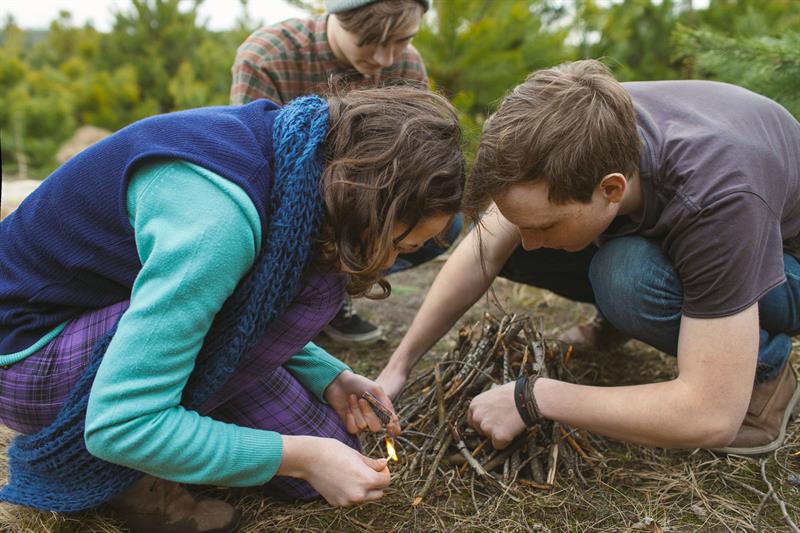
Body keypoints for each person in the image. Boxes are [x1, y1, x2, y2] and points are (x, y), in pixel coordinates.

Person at [0, 86, 464, 533]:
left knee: (334, 449)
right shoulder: (217, 224)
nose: (387, 264)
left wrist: (330, 376)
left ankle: (181, 436)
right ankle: (129, 479)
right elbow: (121, 423)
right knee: (319, 304)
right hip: (26, 353)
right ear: (371, 203)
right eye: (400, 244)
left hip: (119, 318)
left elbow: (239, 304)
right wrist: (304, 457)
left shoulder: (305, 159)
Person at [378, 59, 800, 458]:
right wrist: (399, 366)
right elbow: (485, 248)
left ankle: (765, 378)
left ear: (612, 190)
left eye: (544, 225)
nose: (528, 241)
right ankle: (626, 314)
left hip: (786, 261)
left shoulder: (718, 198)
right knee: (505, 242)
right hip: (704, 224)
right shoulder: (579, 126)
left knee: (625, 274)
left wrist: (534, 397)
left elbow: (709, 416)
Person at [230, 0, 463, 344]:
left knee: (440, 226)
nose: (385, 59)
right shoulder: (268, 55)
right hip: (288, 201)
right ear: (338, 16)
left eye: (401, 40)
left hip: (366, 203)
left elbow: (419, 163)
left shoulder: (407, 62)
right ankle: (286, 296)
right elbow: (253, 161)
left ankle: (334, 295)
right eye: (369, 41)